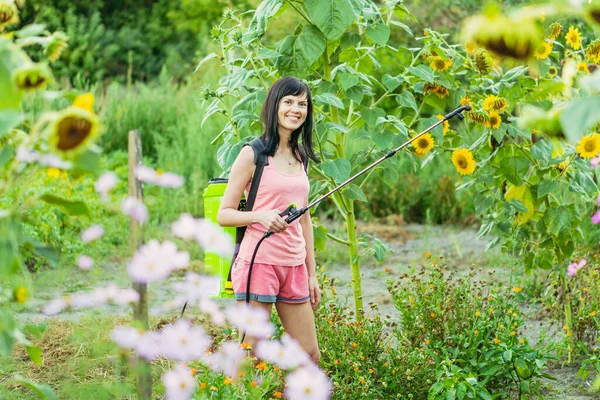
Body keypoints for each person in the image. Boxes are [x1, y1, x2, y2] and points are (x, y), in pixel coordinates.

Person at [217, 76, 321, 364]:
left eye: (302, 104)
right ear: (274, 106)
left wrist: (311, 273)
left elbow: (305, 218)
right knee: (252, 355)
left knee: (309, 355)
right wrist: (262, 216)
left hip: (294, 265)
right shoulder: (253, 153)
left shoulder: (301, 156)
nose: (295, 109)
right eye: (288, 101)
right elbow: (224, 214)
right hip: (258, 264)